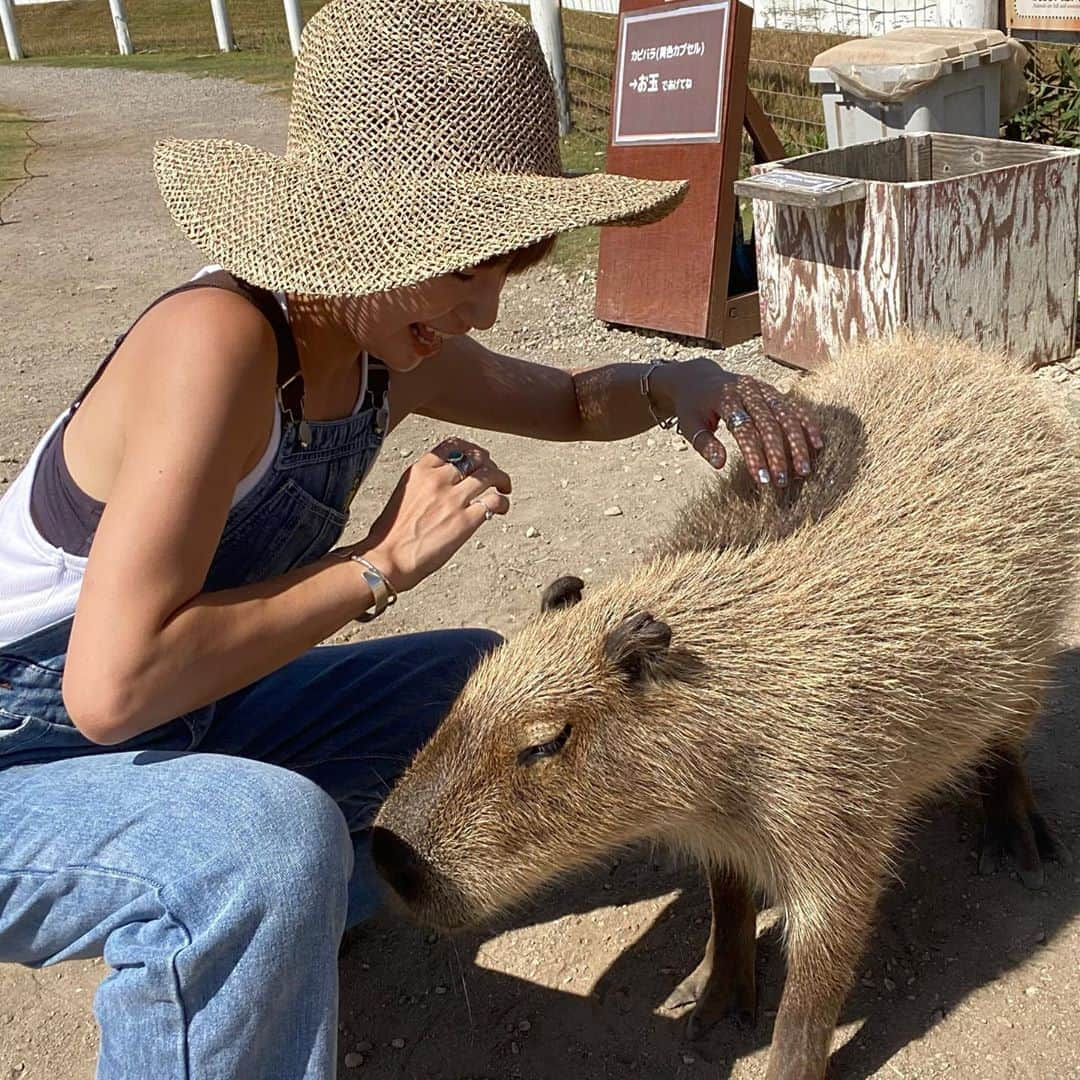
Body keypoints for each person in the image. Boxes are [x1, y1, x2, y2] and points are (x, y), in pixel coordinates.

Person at [0, 0, 822, 1075]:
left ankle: (262, 927)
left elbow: (574, 401)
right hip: (31, 755)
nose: (484, 310)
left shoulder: (385, 339)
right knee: (259, 844)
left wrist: (678, 384)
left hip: (179, 720)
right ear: (368, 235)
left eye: (506, 273)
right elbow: (107, 691)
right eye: (467, 266)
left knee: (476, 693)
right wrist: (376, 566)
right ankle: (236, 907)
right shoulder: (216, 345)